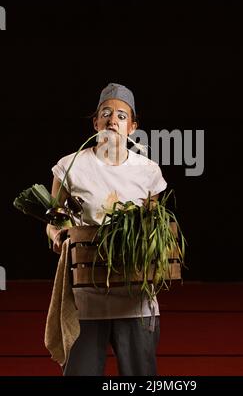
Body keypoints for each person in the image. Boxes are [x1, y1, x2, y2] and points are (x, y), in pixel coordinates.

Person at [46, 82, 167, 376]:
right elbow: (54, 220)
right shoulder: (70, 166)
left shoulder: (148, 171)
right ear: (96, 122)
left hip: (136, 297)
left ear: (132, 127)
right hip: (86, 298)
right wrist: (59, 236)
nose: (113, 120)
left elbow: (152, 227)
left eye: (122, 116)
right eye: (106, 113)